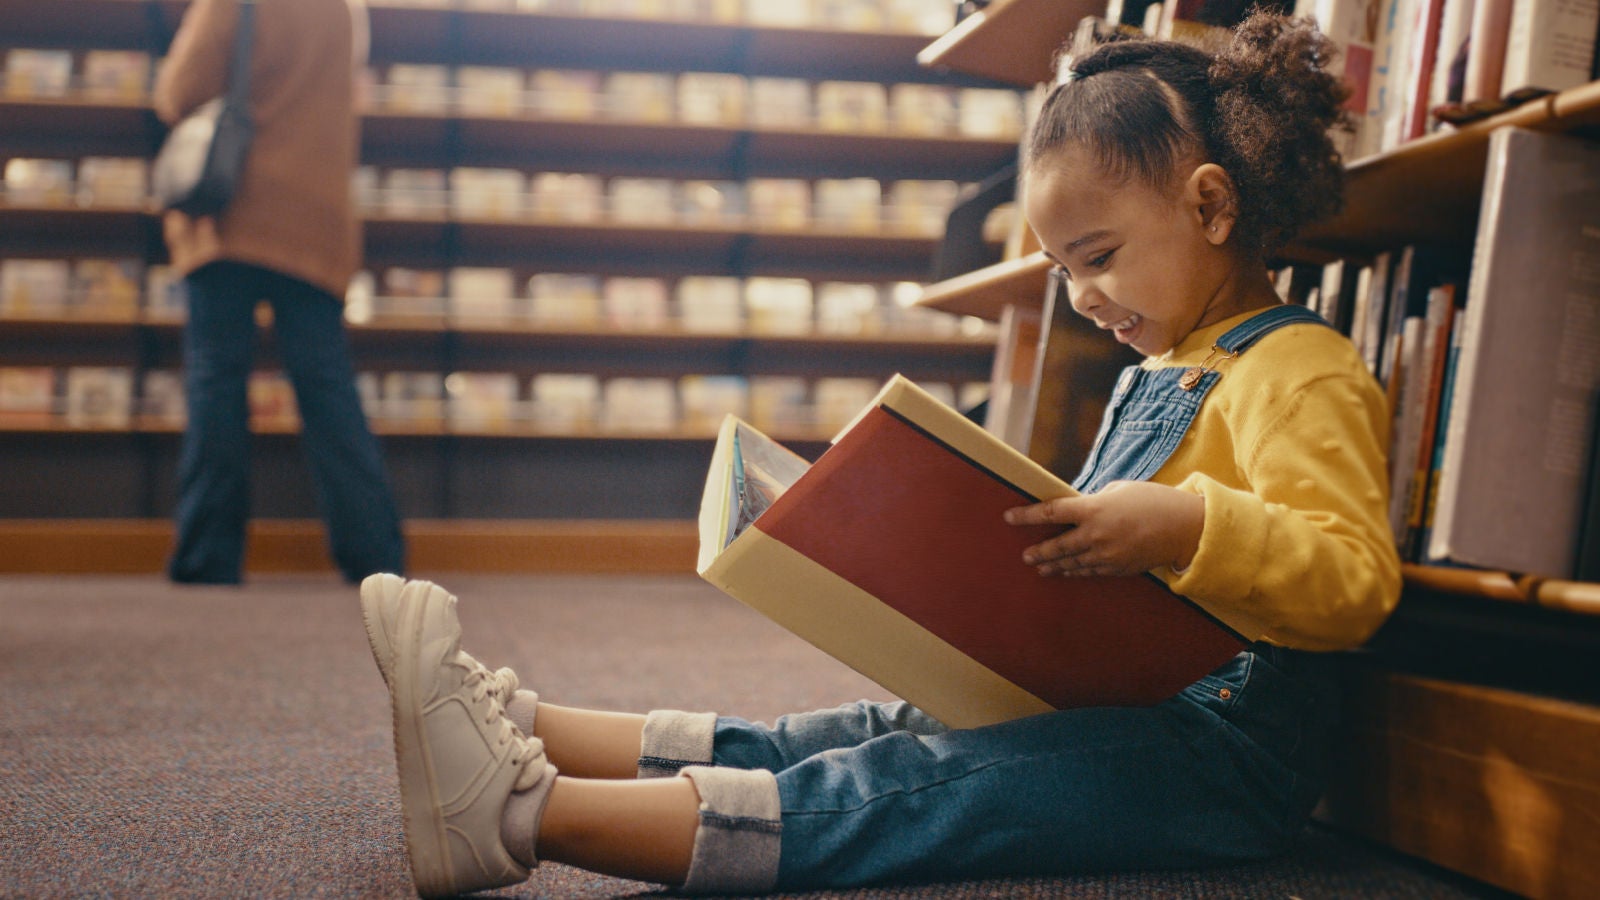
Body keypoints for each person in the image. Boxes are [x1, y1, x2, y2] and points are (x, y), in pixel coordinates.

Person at [357, 12, 1401, 897]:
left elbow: (1352, 581)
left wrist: (1184, 525)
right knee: (864, 730)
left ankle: (524, 815)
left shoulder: (1299, 370)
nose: (1080, 296)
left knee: (915, 789)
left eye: (1098, 259)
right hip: (1113, 706)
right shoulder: (1158, 370)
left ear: (1211, 207)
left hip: (1217, 760)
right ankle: (529, 729)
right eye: (1059, 269)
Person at [154, 0, 404, 584]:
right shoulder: (345, 10)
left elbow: (178, 91)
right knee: (328, 387)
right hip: (317, 215)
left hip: (234, 206)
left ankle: (208, 556)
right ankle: (375, 557)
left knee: (217, 379)